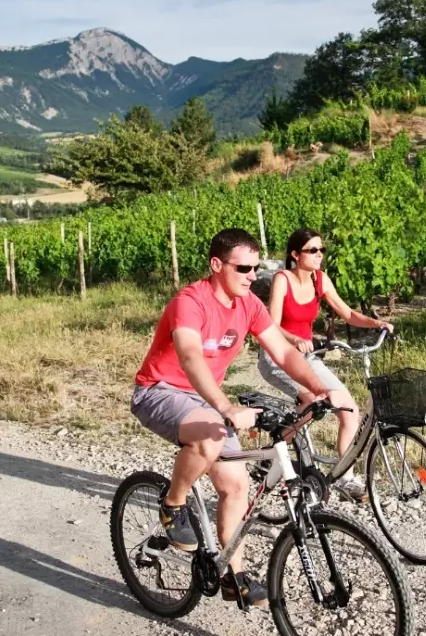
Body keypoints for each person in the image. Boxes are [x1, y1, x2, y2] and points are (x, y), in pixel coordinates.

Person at [131, 228, 352, 608]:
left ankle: (235, 576)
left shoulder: (248, 304)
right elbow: (190, 357)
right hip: (159, 391)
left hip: (202, 399)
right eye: (243, 268)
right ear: (216, 265)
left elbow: (284, 353)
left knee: (236, 487)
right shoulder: (190, 302)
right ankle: (172, 504)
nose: (252, 276)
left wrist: (318, 389)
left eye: (256, 268)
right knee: (212, 435)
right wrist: (226, 407)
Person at [257, 228, 394, 500]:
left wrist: (376, 323)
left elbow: (347, 313)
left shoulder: (320, 279)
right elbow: (271, 325)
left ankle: (345, 478)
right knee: (312, 402)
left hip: (306, 357)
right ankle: (274, 453)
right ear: (295, 255)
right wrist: (295, 339)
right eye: (312, 250)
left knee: (349, 409)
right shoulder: (282, 280)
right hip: (277, 355)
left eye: (322, 250)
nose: (319, 255)